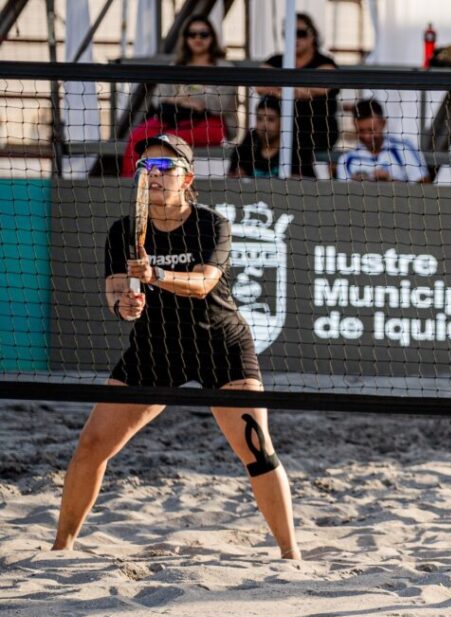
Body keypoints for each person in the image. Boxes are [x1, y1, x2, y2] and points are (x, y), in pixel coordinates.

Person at [53, 134, 300, 560]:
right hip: (156, 348)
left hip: (219, 346)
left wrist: (156, 276)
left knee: (258, 450)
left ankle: (290, 555)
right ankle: (60, 549)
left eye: (165, 168)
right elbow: (116, 291)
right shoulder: (123, 231)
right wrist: (125, 305)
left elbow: (203, 283)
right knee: (91, 446)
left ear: (187, 178)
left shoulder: (211, 224)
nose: (154, 175)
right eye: (146, 168)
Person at [121, 16, 238, 176]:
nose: (197, 38)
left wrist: (182, 98)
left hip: (210, 123)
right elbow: (158, 98)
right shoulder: (177, 65)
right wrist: (189, 101)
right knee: (138, 136)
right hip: (174, 119)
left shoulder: (224, 67)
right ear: (185, 38)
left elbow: (220, 104)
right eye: (192, 34)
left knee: (165, 140)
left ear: (213, 37)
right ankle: (132, 183)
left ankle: (155, 178)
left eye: (204, 34)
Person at [256, 13, 339, 176]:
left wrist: (280, 89)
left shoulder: (324, 62)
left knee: (296, 139)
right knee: (252, 139)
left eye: (300, 33)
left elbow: (323, 86)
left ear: (312, 35)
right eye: (288, 34)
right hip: (278, 131)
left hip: (317, 131)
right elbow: (259, 85)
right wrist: (303, 90)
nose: (295, 38)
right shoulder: (276, 60)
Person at [336, 98, 430, 183]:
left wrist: (390, 181)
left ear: (383, 123)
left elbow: (424, 186)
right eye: (361, 131)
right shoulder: (346, 159)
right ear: (354, 125)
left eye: (371, 130)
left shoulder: (404, 149)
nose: (367, 136)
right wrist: (357, 187)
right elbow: (343, 194)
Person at [229, 95, 316, 179]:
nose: (264, 125)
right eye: (259, 119)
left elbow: (310, 182)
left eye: (271, 119)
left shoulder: (297, 150)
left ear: (282, 122)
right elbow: (231, 176)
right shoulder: (247, 146)